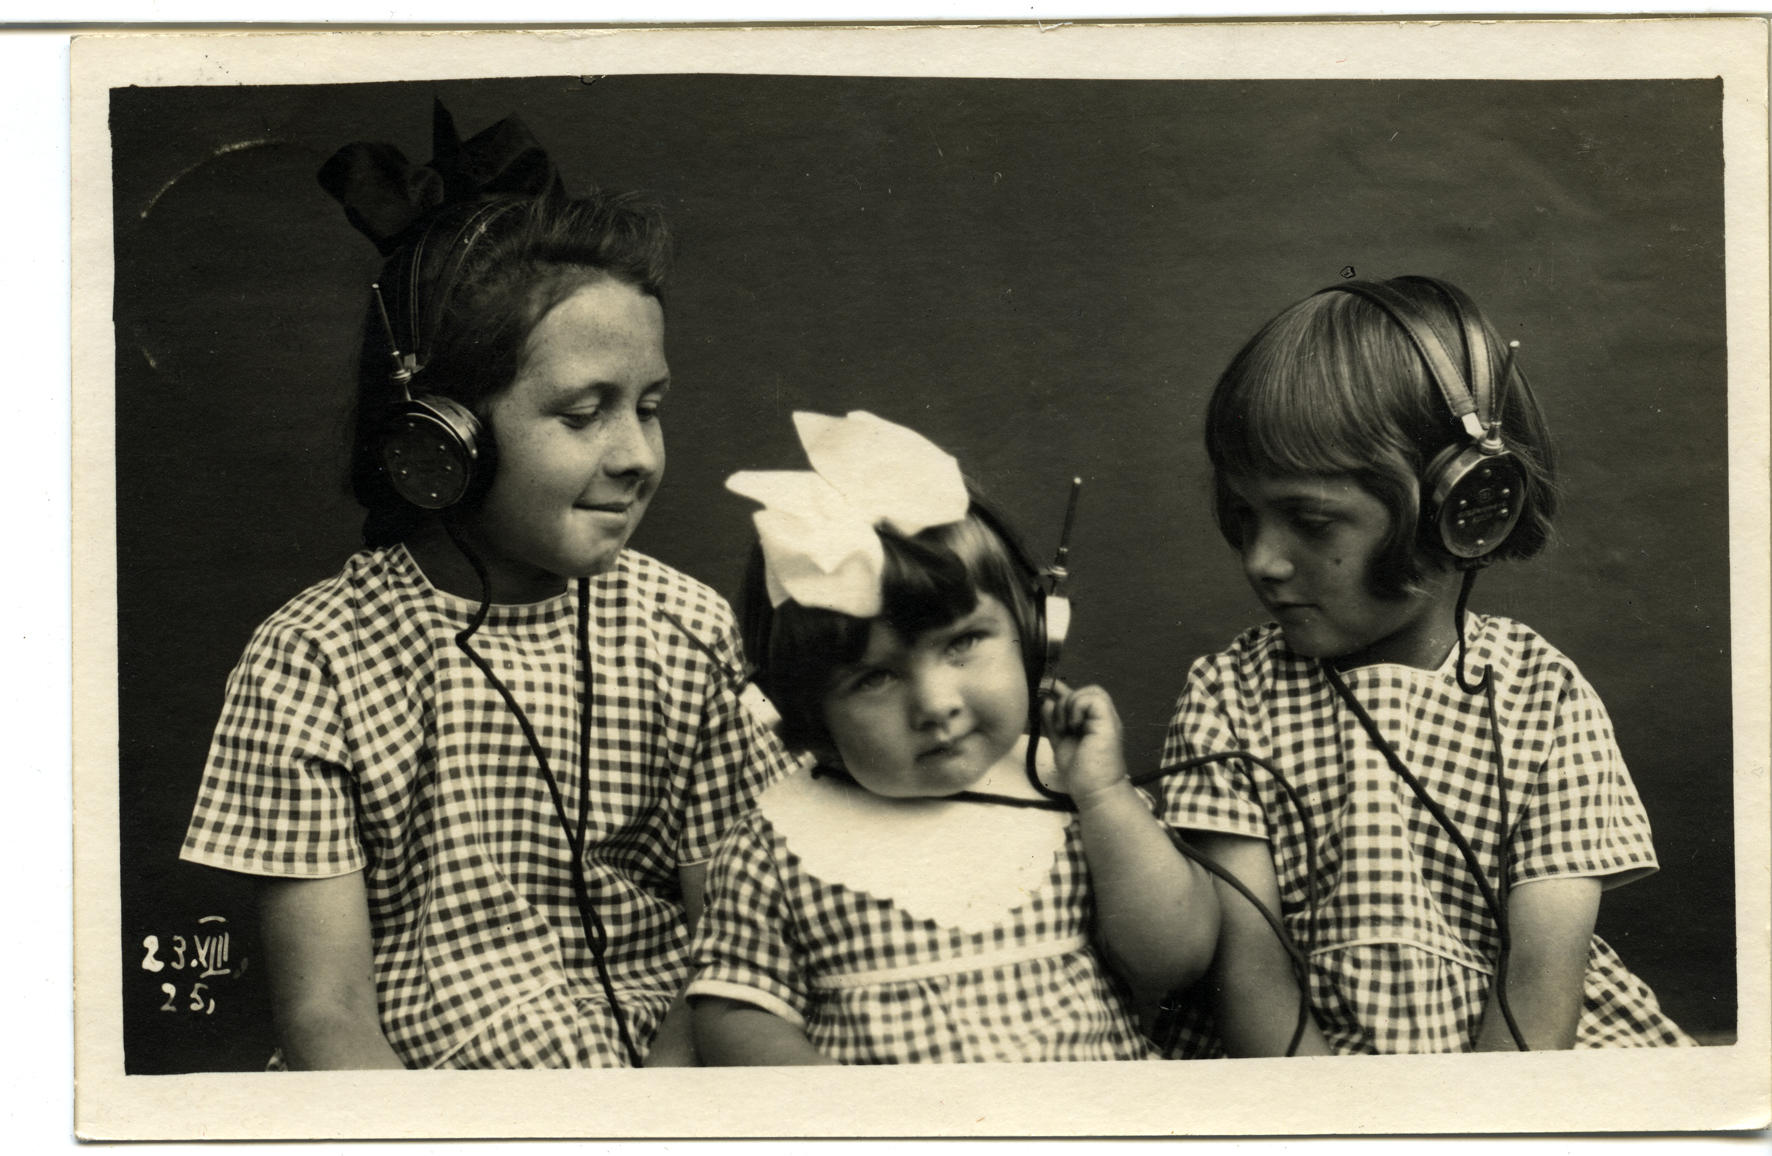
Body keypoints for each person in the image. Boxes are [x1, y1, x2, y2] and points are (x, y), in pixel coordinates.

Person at [179, 105, 793, 1069]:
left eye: (651, 408)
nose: (636, 455)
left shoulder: (687, 627)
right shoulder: (312, 659)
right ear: (439, 441)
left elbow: (735, 953)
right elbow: (328, 1021)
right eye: (585, 413)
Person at [1157, 274, 1695, 1056]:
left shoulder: (1544, 697)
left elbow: (1539, 990)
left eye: (1308, 520)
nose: (1263, 560)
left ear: (1463, 508)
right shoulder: (1228, 696)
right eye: (1244, 516)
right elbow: (1254, 976)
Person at [687, 410, 1220, 1064]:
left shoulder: (1066, 789)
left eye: (963, 642)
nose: (935, 705)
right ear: (805, 709)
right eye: (875, 678)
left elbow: (1178, 957)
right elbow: (732, 1013)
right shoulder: (777, 839)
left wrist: (1106, 796)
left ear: (1034, 633)